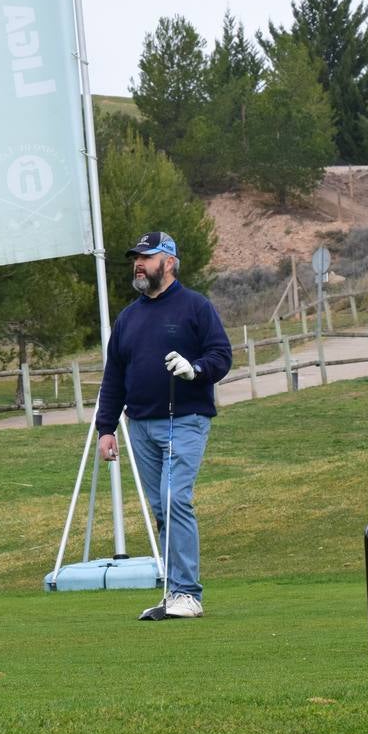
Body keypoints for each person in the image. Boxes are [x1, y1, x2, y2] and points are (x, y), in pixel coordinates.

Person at [94, 231, 232, 618]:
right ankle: (175, 593)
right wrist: (107, 428)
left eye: (146, 257)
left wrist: (196, 369)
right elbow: (114, 376)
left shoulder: (195, 307)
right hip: (140, 425)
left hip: (185, 420)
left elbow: (221, 355)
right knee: (160, 508)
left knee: (175, 500)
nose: (138, 263)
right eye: (135, 258)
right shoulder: (128, 317)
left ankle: (188, 592)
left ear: (168, 262)